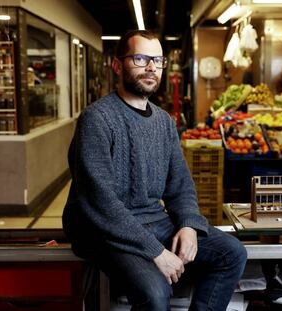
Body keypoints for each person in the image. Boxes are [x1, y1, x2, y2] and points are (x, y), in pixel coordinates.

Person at [62, 30, 247, 310]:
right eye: (140, 58)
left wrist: (188, 224)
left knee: (232, 253)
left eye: (158, 60)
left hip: (152, 221)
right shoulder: (97, 119)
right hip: (104, 230)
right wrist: (156, 252)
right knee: (155, 292)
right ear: (117, 65)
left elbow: (181, 184)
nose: (151, 67)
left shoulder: (163, 121)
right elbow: (100, 202)